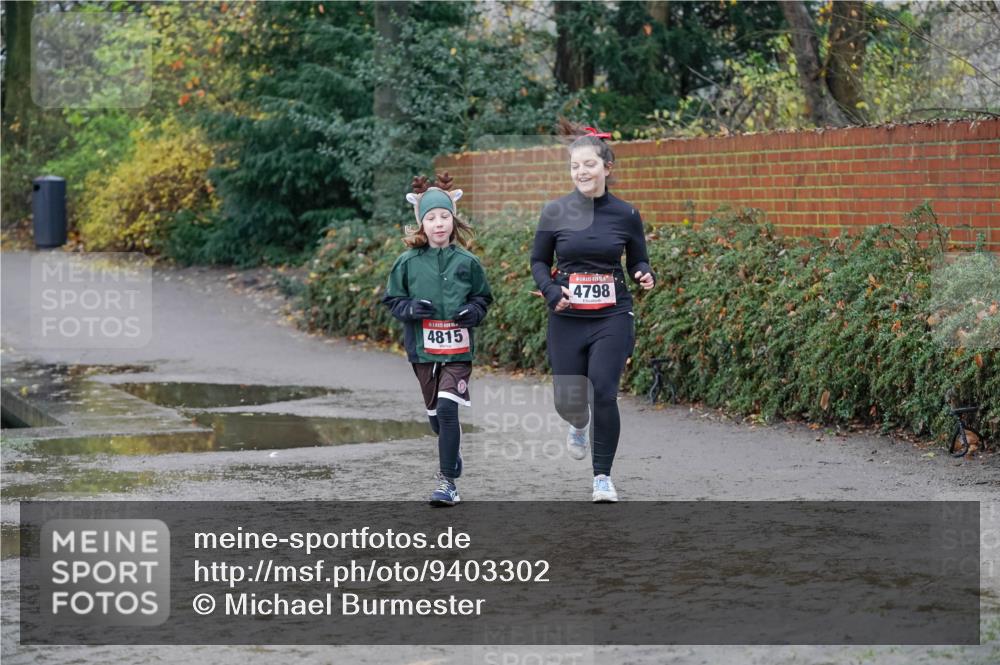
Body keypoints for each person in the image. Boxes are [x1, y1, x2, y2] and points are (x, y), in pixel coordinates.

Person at [530, 123, 655, 502]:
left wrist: (644, 273)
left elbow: (639, 259)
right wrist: (552, 292)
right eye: (574, 166)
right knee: (568, 400)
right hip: (567, 317)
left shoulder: (626, 214)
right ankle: (578, 425)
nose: (581, 172)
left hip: (612, 315)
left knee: (603, 391)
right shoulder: (555, 212)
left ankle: (602, 477)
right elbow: (538, 260)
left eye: (588, 164)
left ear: (607, 167)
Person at [382, 172, 493, 507]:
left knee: (448, 410)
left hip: (458, 350)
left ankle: (448, 483)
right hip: (423, 349)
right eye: (431, 218)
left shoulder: (468, 262)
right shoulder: (406, 263)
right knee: (437, 418)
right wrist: (411, 308)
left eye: (444, 216)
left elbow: (482, 299)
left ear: (453, 221)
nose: (439, 223)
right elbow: (391, 301)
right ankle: (450, 453)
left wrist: (473, 313)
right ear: (422, 225)